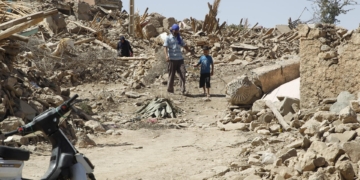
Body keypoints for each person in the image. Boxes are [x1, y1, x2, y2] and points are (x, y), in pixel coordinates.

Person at [163, 24, 194, 95]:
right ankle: (170, 90)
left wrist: (189, 51)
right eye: (175, 30)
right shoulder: (168, 38)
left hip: (180, 59)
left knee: (182, 74)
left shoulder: (179, 38)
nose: (177, 31)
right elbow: (165, 47)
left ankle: (183, 90)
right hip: (172, 59)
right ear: (172, 30)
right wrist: (166, 56)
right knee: (171, 75)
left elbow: (184, 45)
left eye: (177, 30)